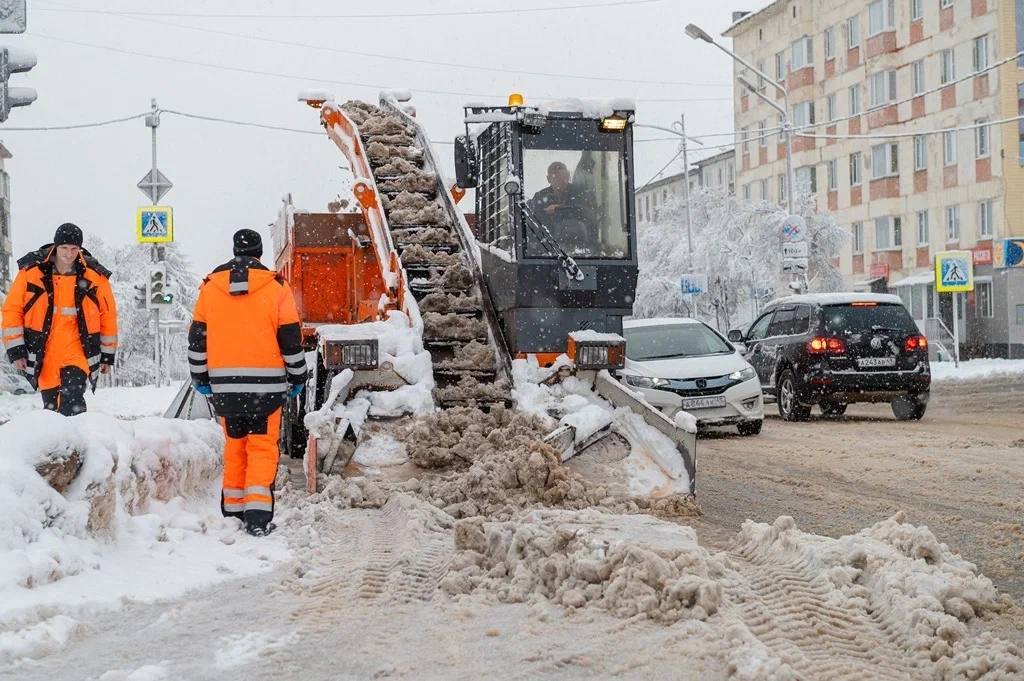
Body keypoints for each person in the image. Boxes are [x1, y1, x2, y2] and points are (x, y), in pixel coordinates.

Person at [189, 229, 307, 537]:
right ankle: (257, 517)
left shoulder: (210, 288)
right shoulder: (277, 288)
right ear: (259, 254)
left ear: (234, 251)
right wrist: (298, 377)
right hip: (266, 389)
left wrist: (201, 377)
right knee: (262, 448)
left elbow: (197, 340)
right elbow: (291, 340)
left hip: (225, 388)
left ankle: (233, 512)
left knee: (235, 447)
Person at [2, 223, 117, 415]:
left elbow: (108, 315)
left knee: (73, 404)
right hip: (44, 353)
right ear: (56, 246)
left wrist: (107, 355)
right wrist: (16, 350)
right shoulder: (31, 273)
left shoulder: (95, 277)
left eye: (74, 248)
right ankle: (58, 444)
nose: (69, 253)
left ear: (80, 249)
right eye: (64, 248)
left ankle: (76, 443)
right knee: (51, 410)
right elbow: (12, 310)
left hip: (78, 352)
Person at [528, 161, 597, 254]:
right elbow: (531, 218)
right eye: (556, 178)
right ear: (548, 179)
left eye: (564, 178)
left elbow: (586, 212)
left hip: (580, 248)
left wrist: (559, 208)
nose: (561, 182)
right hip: (549, 249)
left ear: (568, 176)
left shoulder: (579, 194)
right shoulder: (540, 197)